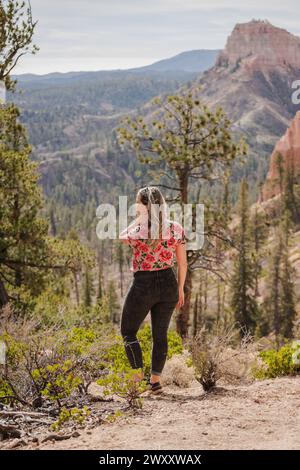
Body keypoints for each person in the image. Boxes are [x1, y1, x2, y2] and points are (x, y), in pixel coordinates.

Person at [119, 186, 187, 393]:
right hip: (168, 283)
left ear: (146, 206)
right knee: (160, 335)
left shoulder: (138, 231)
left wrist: (141, 218)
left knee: (128, 331)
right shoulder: (175, 228)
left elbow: (121, 236)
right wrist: (180, 289)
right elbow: (183, 264)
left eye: (138, 203)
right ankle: (155, 381)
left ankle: (137, 374)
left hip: (143, 284)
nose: (135, 206)